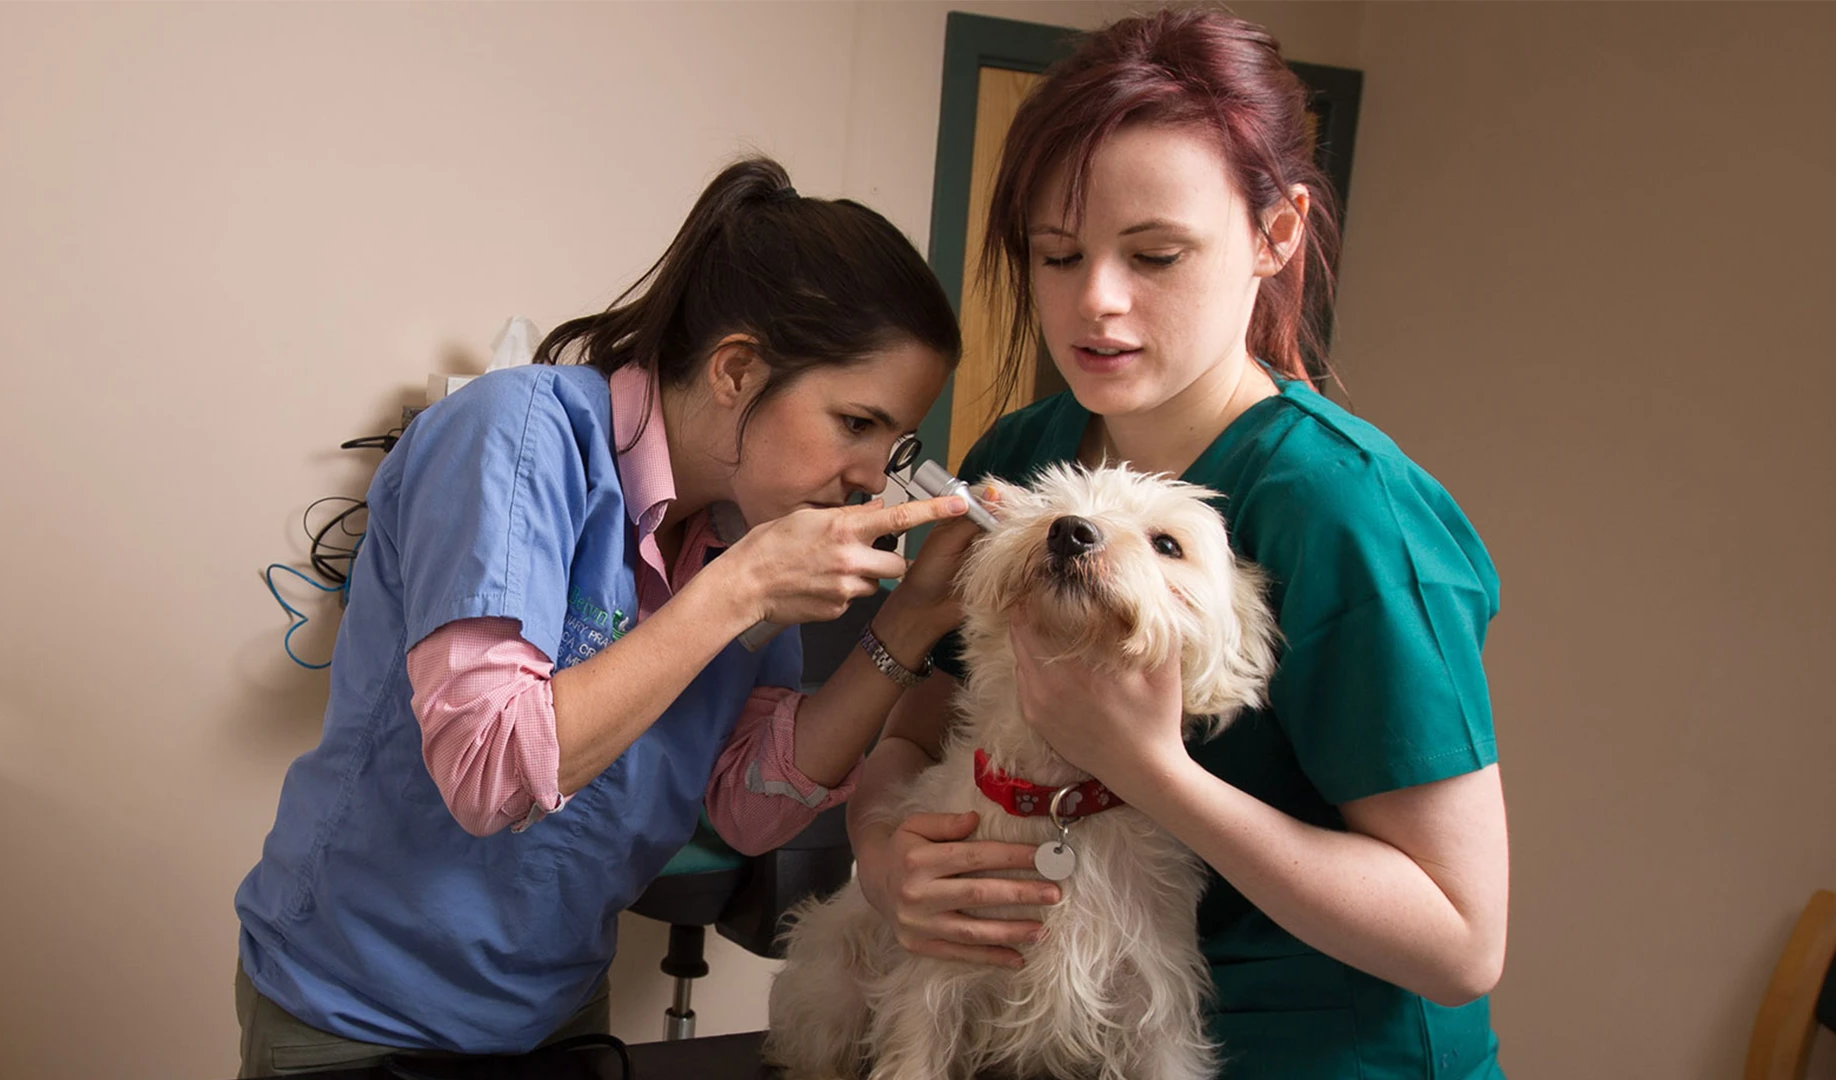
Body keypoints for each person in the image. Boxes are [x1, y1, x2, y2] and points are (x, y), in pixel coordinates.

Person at [846, 10, 1508, 1077]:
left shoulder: (1347, 512)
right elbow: (924, 728)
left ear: (1276, 234)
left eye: (1154, 254)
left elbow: (1460, 941)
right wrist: (884, 852)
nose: (1095, 302)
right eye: (1057, 256)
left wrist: (1149, 770)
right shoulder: (1033, 447)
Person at [232, 157, 981, 1076]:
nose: (871, 474)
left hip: (553, 1007)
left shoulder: (742, 534)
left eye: (892, 442)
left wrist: (907, 623)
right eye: (854, 423)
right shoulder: (519, 440)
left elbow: (749, 807)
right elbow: (493, 774)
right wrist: (736, 592)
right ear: (738, 370)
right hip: (359, 1008)